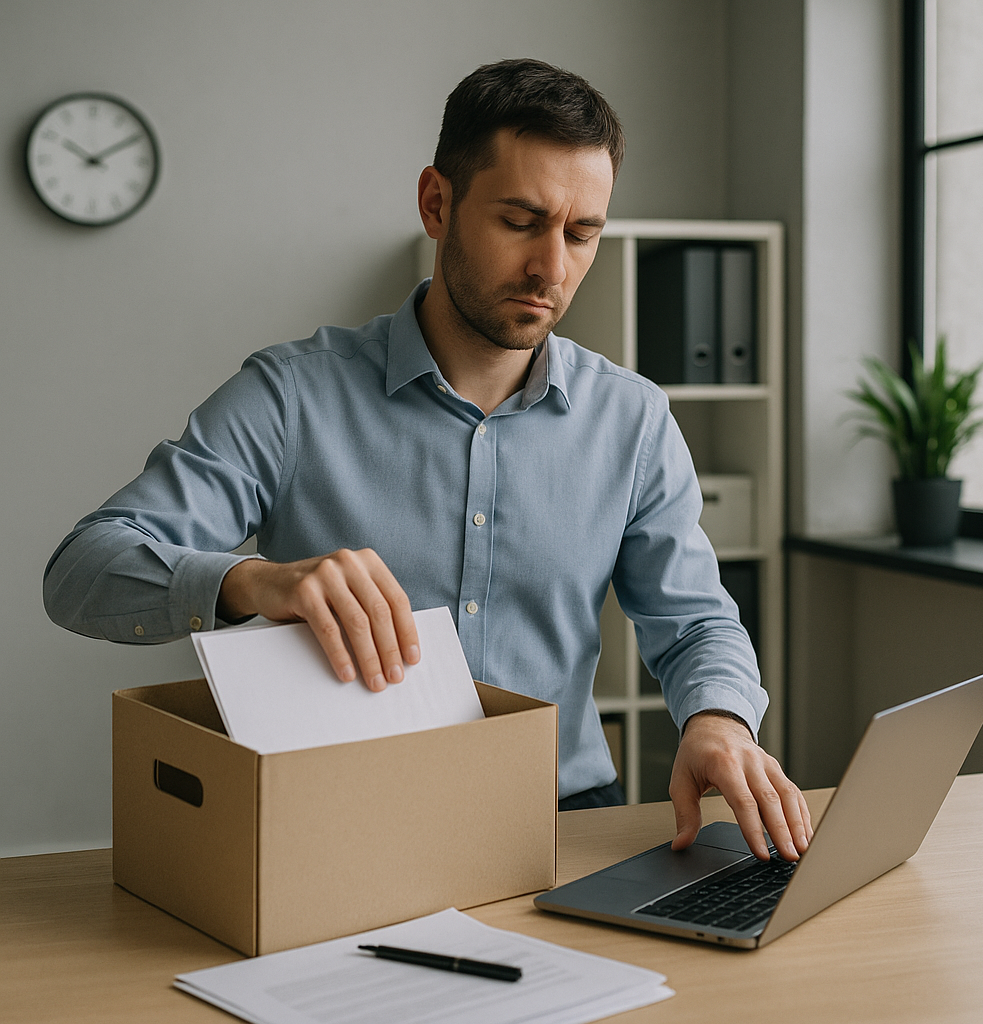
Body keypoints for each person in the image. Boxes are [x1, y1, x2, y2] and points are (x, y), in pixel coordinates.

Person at [44, 58, 811, 862]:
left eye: (582, 234)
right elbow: (80, 571)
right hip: (336, 825)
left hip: (562, 820)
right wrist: (252, 583)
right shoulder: (291, 394)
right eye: (521, 221)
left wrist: (718, 719)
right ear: (436, 204)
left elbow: (694, 622)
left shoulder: (634, 418)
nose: (553, 269)